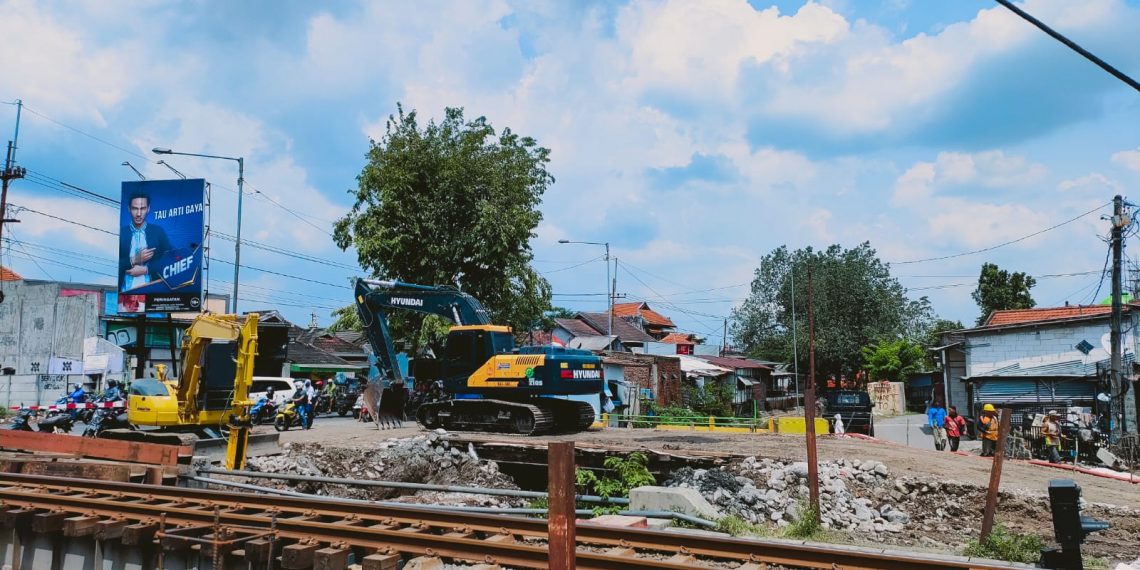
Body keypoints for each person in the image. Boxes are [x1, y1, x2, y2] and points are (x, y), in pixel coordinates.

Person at [118, 190, 172, 292]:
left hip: (153, 296)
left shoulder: (158, 232)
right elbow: (113, 264)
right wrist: (134, 260)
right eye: (135, 208)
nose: (138, 214)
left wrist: (146, 270)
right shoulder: (121, 233)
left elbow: (169, 261)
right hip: (125, 295)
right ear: (129, 209)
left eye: (142, 209)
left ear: (148, 209)